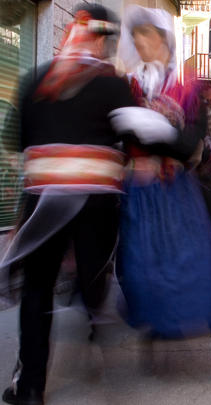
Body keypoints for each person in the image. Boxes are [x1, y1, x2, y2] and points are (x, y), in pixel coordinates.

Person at [2, 4, 134, 405]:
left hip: (43, 201)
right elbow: (132, 143)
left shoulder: (36, 80)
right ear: (101, 37)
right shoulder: (115, 85)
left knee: (37, 292)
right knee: (95, 282)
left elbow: (14, 141)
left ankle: (30, 388)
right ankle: (104, 355)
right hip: (95, 204)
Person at [112, 5, 211, 387]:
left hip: (177, 192)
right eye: (136, 39)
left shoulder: (189, 85)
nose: (141, 44)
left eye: (146, 37)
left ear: (162, 39)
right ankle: (156, 331)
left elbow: (192, 141)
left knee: (201, 267)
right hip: (141, 195)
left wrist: (157, 134)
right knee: (145, 270)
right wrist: (141, 134)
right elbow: (126, 137)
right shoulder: (132, 85)